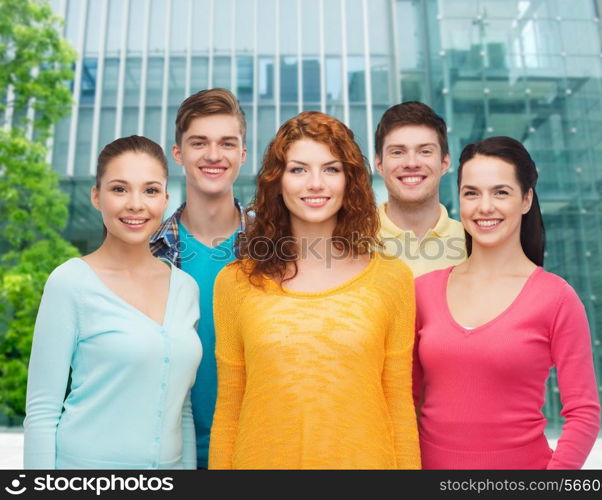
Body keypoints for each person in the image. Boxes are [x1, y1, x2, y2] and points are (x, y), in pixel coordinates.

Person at [209, 111, 420, 469]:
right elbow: (230, 408)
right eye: (298, 169)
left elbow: (399, 406)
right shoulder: (234, 283)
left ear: (349, 181)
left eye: (331, 169)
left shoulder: (392, 279)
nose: (315, 183)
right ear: (277, 182)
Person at [413, 136, 601, 469]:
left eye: (501, 192)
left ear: (526, 199)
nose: (485, 207)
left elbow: (583, 413)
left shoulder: (557, 298)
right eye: (472, 193)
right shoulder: (422, 292)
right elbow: (405, 400)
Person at [23, 136, 202, 469]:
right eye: (119, 189)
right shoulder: (70, 282)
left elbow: (183, 408)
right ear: (96, 196)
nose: (135, 204)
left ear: (165, 199)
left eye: (150, 191)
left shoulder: (186, 289)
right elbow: (42, 410)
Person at [150, 88, 248, 469]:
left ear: (242, 154)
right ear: (178, 154)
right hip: (169, 457)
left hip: (255, 451)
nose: (213, 155)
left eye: (227, 143)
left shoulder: (277, 250)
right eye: (199, 143)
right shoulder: (149, 251)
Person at [375, 101, 466, 276]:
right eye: (397, 152)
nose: (411, 163)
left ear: (444, 163)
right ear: (379, 164)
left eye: (425, 151)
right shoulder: (350, 241)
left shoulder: (474, 243)